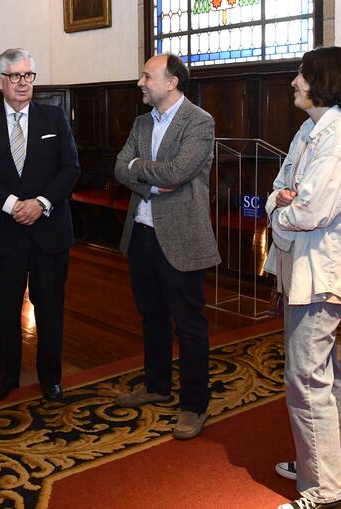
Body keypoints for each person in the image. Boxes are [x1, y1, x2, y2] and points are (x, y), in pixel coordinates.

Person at [265, 46, 341, 509]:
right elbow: (276, 191)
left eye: (302, 75)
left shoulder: (340, 138)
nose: (294, 81)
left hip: (323, 270)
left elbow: (309, 210)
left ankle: (325, 492)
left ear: (324, 81)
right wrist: (279, 203)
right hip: (303, 266)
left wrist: (285, 208)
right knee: (322, 371)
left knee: (306, 377)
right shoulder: (310, 131)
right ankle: (331, 462)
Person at [112, 53, 220, 440]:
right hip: (141, 234)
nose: (140, 82)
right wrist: (150, 178)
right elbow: (120, 167)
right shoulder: (143, 122)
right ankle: (156, 386)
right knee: (151, 316)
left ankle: (194, 405)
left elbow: (179, 171)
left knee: (189, 324)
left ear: (172, 82)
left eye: (147, 76)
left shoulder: (199, 122)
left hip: (182, 238)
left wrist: (140, 169)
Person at [0, 48, 80, 402]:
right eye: (15, 76)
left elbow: (70, 169)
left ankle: (51, 378)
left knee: (51, 310)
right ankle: (7, 376)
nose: (23, 83)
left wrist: (40, 204)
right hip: (3, 232)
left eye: (28, 75)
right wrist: (14, 204)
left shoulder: (54, 118)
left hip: (49, 232)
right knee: (3, 308)